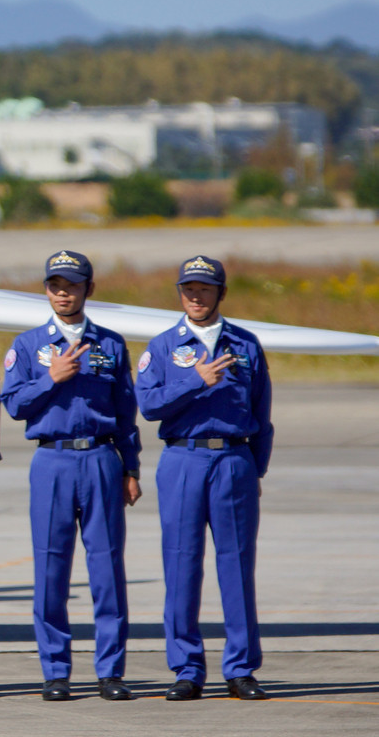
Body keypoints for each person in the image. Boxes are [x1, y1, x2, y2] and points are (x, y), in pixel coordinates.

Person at [0, 250, 141, 701]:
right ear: (46, 290)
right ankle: (55, 671)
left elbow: (126, 411)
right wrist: (52, 378)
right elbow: (14, 404)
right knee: (50, 568)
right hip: (52, 461)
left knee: (107, 568)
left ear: (88, 289)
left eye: (72, 285)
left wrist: (130, 467)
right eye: (55, 285)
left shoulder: (111, 344)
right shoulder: (27, 346)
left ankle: (110, 671)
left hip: (101, 459)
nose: (63, 293)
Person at [135, 255, 273, 702]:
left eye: (204, 289)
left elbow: (262, 413)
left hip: (233, 459)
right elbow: (149, 405)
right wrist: (195, 380)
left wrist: (255, 468)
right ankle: (186, 668)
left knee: (237, 565)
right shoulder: (162, 346)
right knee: (181, 564)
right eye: (188, 289)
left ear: (221, 293)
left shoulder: (246, 345)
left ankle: (241, 668)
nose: (195, 297)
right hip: (183, 458)